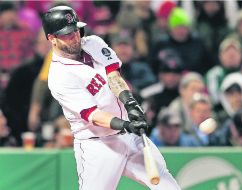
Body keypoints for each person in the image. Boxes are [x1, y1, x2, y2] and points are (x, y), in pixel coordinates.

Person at [41, 6, 180, 190]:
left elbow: (113, 76)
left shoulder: (93, 43)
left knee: (167, 185)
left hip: (130, 136)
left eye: (76, 30)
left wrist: (130, 103)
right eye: (67, 34)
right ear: (52, 38)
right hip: (98, 145)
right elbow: (94, 115)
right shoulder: (59, 76)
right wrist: (126, 124)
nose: (75, 36)